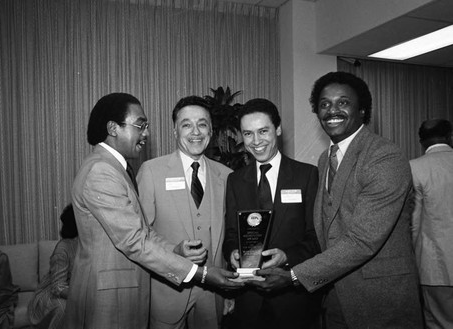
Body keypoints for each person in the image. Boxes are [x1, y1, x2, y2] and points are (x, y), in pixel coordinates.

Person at [247, 72, 423, 328]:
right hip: (334, 295)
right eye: (324, 104)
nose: (332, 110)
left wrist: (293, 276)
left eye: (343, 102)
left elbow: (363, 240)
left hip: (380, 299)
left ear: (362, 109)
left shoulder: (385, 157)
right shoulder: (324, 159)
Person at [62, 92, 243, 329]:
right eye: (140, 125)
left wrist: (175, 249)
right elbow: (135, 240)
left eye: (203, 125)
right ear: (113, 128)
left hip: (174, 296)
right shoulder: (103, 171)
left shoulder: (115, 168)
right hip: (115, 295)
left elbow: (141, 231)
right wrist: (203, 274)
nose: (146, 133)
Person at [222, 98, 321, 329]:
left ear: (277, 129)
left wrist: (287, 256)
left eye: (263, 131)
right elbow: (230, 233)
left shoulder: (306, 176)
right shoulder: (235, 180)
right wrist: (232, 252)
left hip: (293, 300)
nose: (256, 142)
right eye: (248, 134)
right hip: (249, 303)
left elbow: (316, 237)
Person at [137, 96, 233, 329]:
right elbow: (140, 234)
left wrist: (230, 291)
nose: (195, 132)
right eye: (186, 124)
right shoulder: (151, 171)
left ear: (211, 129)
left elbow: (231, 235)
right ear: (174, 130)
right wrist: (174, 250)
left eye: (202, 124)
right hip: (167, 291)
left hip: (212, 293)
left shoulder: (227, 175)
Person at [409, 118, 453, 328]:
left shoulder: (415, 168)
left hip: (436, 268)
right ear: (450, 136)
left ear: (421, 141)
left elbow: (414, 224)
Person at [28, 204, 79, 329]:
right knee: (64, 309)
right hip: (51, 294)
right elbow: (58, 287)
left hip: (75, 292)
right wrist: (81, 296)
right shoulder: (64, 248)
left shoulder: (91, 245)